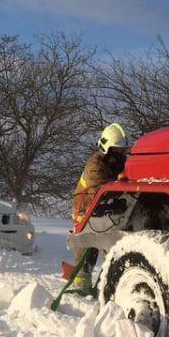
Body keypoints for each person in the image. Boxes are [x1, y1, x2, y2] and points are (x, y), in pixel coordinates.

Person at [69, 123, 130, 289]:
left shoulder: (119, 163)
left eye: (122, 150)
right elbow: (99, 190)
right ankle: (81, 281)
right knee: (88, 244)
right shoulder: (95, 165)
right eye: (116, 150)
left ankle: (107, 281)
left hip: (105, 209)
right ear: (106, 147)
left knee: (109, 244)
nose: (120, 154)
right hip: (85, 208)